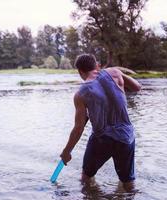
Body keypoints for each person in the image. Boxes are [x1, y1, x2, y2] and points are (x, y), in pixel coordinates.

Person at [60, 54, 141, 191]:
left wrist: (66, 151)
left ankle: (93, 195)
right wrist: (119, 74)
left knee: (86, 178)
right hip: (126, 137)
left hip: (102, 139)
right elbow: (137, 87)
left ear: (80, 71)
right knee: (128, 183)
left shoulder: (80, 94)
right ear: (96, 65)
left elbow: (79, 128)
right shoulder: (115, 73)